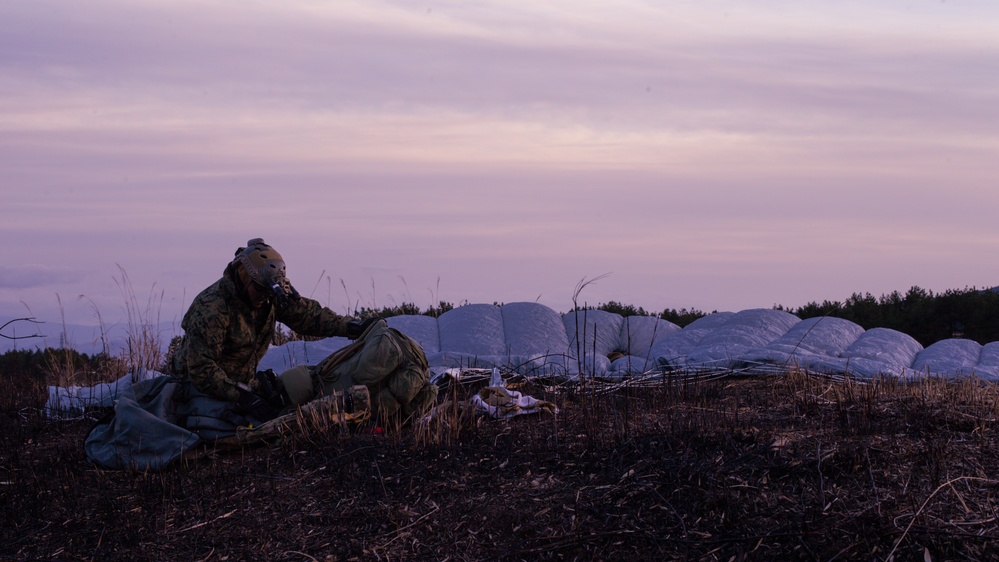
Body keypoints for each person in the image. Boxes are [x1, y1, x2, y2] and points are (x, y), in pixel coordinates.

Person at [166, 238, 376, 420]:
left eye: (267, 292)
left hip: (238, 386)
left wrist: (351, 327)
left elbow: (307, 316)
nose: (263, 296)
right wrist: (244, 396)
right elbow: (201, 369)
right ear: (244, 276)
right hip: (194, 388)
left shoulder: (268, 297)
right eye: (258, 289)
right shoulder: (213, 308)